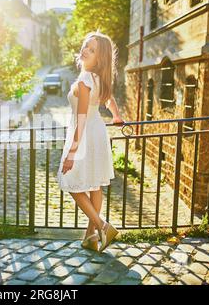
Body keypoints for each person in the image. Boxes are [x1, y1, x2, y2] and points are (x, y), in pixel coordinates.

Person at [57, 31, 125, 253]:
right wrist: (116, 116)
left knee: (69, 180)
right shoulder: (98, 78)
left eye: (92, 49)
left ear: (100, 58)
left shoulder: (86, 79)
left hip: (85, 134)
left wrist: (71, 153)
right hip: (98, 133)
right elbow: (109, 99)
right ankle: (90, 238)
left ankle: (102, 226)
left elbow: (81, 118)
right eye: (86, 45)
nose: (85, 50)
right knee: (95, 184)